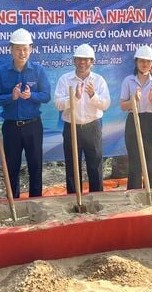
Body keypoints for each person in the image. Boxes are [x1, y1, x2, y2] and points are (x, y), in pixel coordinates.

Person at [0, 28, 51, 198]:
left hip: (33, 126)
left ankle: (36, 200)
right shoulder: (1, 72)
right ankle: (13, 202)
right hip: (11, 127)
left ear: (31, 49)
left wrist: (32, 96)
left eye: (25, 48)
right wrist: (12, 96)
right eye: (18, 48)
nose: (22, 53)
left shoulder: (38, 71)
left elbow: (46, 96)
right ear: (11, 49)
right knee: (12, 166)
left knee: (35, 165)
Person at [54, 44, 111, 194]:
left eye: (86, 59)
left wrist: (93, 96)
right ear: (74, 60)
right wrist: (74, 97)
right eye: (79, 59)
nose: (82, 62)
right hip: (71, 127)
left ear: (92, 62)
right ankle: (74, 197)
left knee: (95, 165)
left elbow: (105, 104)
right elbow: (58, 104)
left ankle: (97, 196)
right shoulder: (65, 80)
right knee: (72, 165)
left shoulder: (99, 81)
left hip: (93, 127)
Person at [120, 45, 152, 189]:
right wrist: (134, 100)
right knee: (135, 162)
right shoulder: (128, 80)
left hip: (151, 121)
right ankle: (133, 195)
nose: (144, 64)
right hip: (133, 120)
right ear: (136, 62)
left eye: (148, 61)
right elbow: (123, 106)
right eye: (141, 61)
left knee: (151, 161)